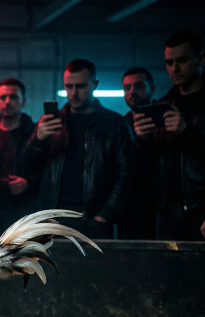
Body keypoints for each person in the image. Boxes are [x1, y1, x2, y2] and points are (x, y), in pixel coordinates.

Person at [23, 59, 133, 239]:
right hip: (54, 218)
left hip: (93, 218)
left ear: (95, 84)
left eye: (81, 86)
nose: (73, 93)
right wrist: (39, 140)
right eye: (69, 86)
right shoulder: (51, 123)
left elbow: (126, 175)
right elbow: (29, 168)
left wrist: (104, 216)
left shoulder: (114, 124)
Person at [133, 31, 205, 241]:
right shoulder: (163, 105)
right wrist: (143, 140)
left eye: (182, 60)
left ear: (200, 59)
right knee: (168, 272)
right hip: (167, 212)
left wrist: (188, 132)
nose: (174, 68)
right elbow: (147, 166)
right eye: (169, 62)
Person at [0, 78, 38, 237]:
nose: (7, 102)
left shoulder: (34, 133)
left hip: (22, 206)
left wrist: (28, 183)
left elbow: (46, 168)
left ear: (23, 101)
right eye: (2, 97)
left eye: (13, 97)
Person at [117, 67, 157, 240]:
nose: (132, 92)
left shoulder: (166, 119)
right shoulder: (121, 124)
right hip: (129, 207)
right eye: (127, 88)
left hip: (159, 206)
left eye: (139, 86)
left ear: (152, 89)